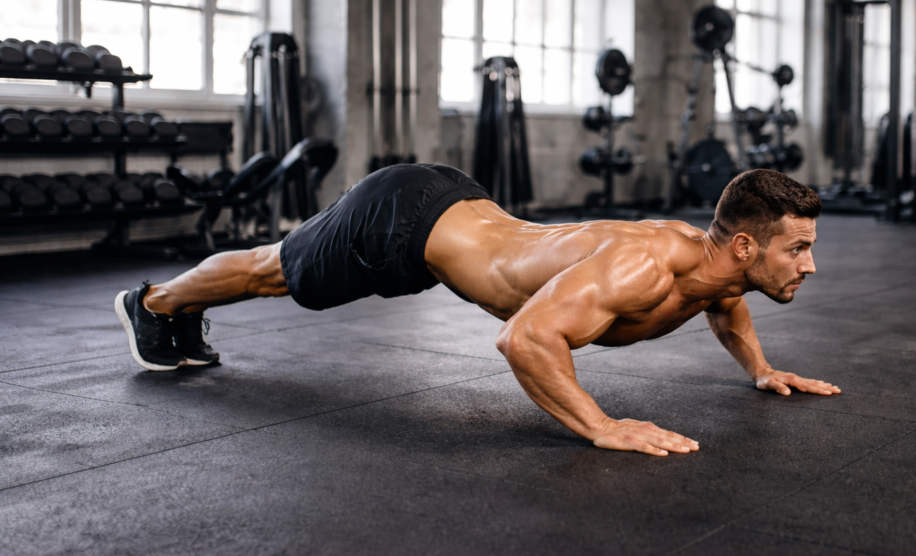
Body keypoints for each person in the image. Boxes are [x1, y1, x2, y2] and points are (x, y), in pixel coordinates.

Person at [116, 164, 840, 456]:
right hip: (403, 220)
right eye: (799, 249)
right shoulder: (644, 264)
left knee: (277, 268)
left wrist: (761, 368)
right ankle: (151, 303)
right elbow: (524, 338)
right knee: (276, 270)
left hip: (457, 212)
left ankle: (170, 311)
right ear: (745, 244)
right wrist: (603, 426)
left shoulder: (718, 265)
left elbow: (725, 300)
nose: (810, 264)